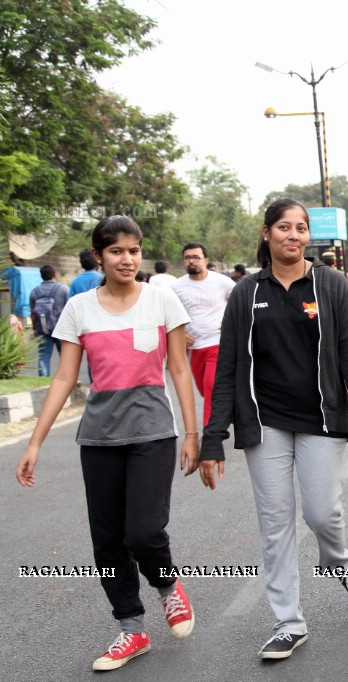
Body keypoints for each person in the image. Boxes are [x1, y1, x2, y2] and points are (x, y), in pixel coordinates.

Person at [198, 198, 348, 660]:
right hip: (264, 423)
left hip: (321, 418)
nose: (294, 235)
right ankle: (288, 621)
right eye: (284, 227)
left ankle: (339, 561)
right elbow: (228, 368)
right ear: (267, 234)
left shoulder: (330, 286)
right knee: (275, 522)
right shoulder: (246, 293)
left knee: (322, 514)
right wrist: (213, 437)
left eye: (301, 228)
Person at [16, 215, 200, 672]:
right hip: (98, 438)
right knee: (108, 541)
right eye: (116, 251)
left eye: (133, 250)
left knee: (143, 531)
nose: (127, 258)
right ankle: (131, 629)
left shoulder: (161, 300)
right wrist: (35, 442)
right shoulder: (79, 307)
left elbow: (179, 369)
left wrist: (193, 433)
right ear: (98, 255)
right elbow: (64, 378)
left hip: (153, 433)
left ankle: (167, 586)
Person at [171, 243, 236, 427]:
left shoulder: (222, 282)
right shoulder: (176, 287)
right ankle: (226, 409)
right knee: (204, 390)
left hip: (217, 344)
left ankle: (210, 435)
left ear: (205, 260)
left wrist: (231, 325)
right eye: (187, 257)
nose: (191, 261)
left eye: (195, 257)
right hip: (194, 347)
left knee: (211, 387)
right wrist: (180, 333)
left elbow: (240, 302)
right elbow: (165, 316)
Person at [29, 264, 69, 377]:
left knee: (43, 355)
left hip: (43, 329)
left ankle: (43, 381)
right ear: (54, 274)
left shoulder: (34, 292)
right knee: (65, 356)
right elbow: (70, 309)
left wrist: (35, 329)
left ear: (41, 276)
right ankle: (66, 379)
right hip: (61, 329)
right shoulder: (63, 289)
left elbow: (32, 313)